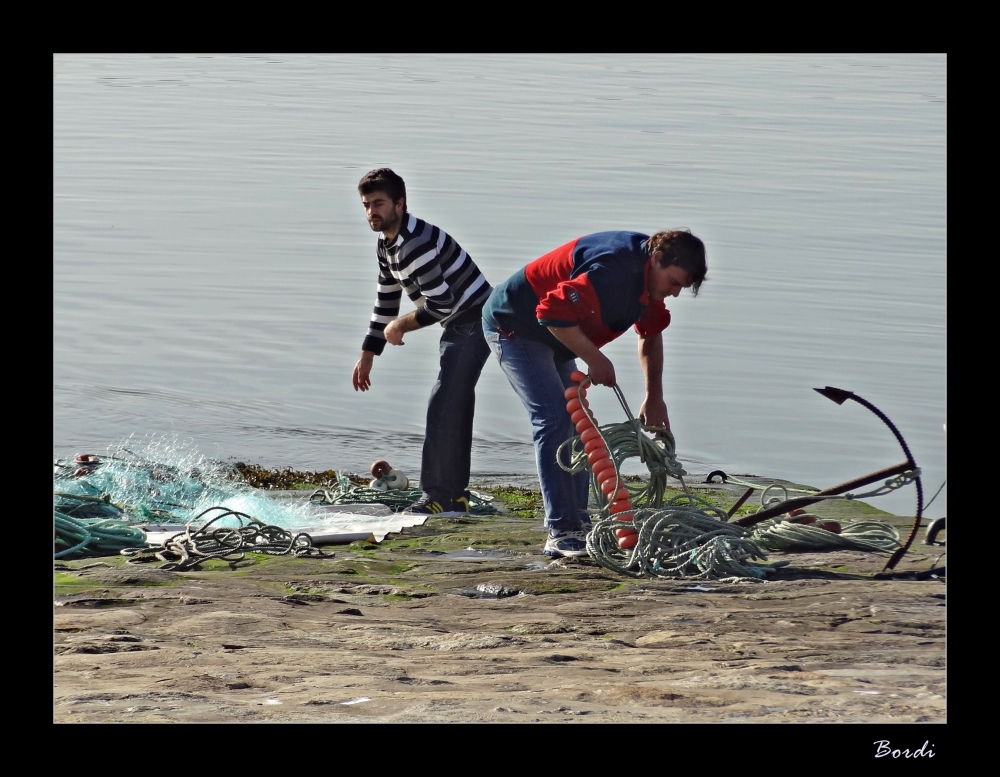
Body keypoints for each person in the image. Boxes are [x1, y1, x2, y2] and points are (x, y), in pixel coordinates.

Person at [482, 230, 707, 557]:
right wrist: (596, 359)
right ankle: (561, 531)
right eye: (673, 283)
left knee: (579, 424)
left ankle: (580, 522)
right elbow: (550, 312)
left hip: (557, 335)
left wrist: (654, 396)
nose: (672, 293)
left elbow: (650, 335)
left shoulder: (650, 282)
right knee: (554, 418)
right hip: (514, 325)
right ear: (657, 260)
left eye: (680, 289)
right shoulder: (613, 269)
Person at [352, 168, 493, 515]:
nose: (372, 212)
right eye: (367, 205)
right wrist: (368, 353)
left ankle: (440, 497)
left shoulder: (416, 244)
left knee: (445, 404)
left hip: (474, 319)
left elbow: (442, 302)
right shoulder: (387, 245)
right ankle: (451, 495)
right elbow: (385, 300)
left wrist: (401, 326)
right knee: (450, 403)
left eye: (379, 203)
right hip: (458, 322)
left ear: (400, 203)